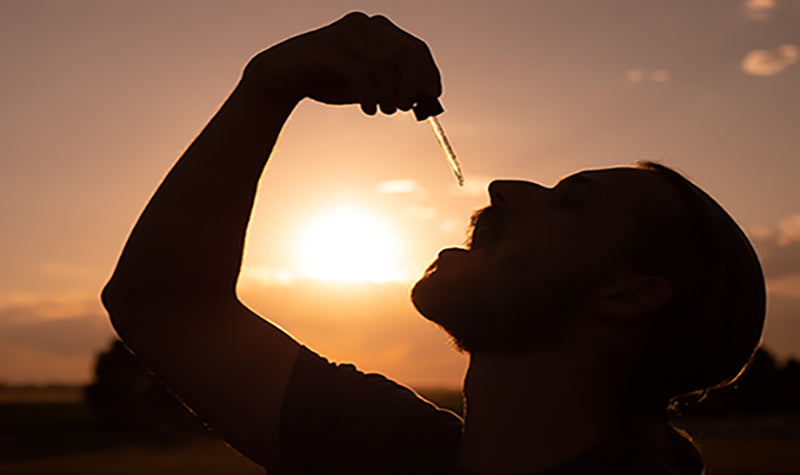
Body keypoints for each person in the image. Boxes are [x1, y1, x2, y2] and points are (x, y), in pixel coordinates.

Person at [102, 12, 766, 475]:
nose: (503, 187)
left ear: (630, 293)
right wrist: (269, 83)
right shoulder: (389, 446)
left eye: (570, 200)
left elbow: (166, 309)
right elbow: (165, 306)